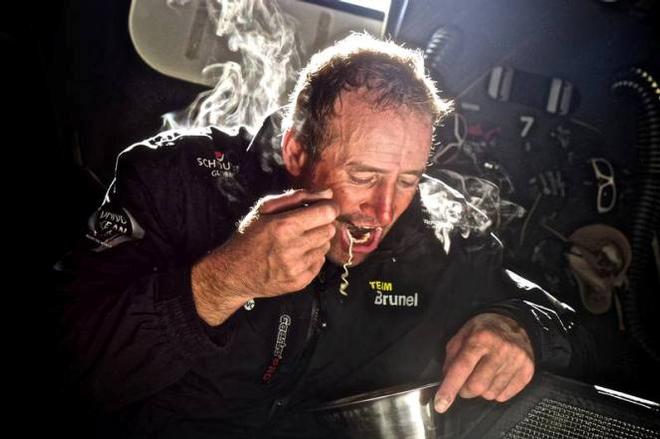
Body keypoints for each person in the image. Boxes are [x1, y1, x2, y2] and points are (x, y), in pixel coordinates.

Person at [55, 34, 590, 438]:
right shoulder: (176, 180)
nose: (385, 209)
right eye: (363, 176)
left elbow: (547, 312)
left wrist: (520, 325)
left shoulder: (432, 228)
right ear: (295, 152)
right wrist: (220, 282)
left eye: (407, 179)